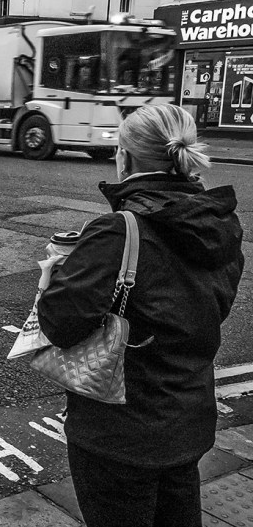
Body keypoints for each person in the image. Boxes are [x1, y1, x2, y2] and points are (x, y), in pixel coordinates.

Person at [38, 104, 244, 527]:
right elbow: (208, 309)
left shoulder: (118, 230)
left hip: (120, 432)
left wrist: (56, 273)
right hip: (188, 419)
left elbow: (60, 325)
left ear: (125, 158)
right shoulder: (220, 224)